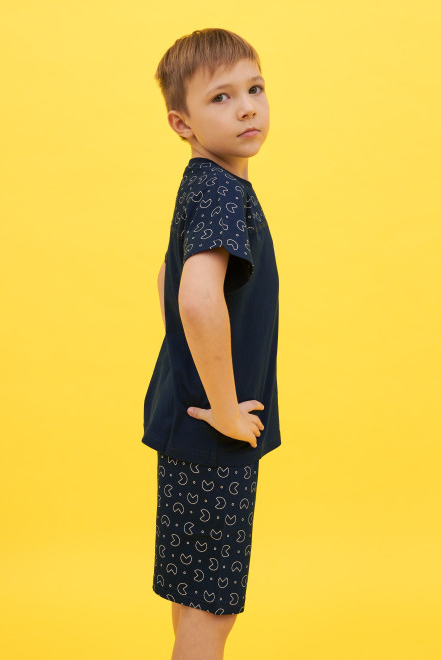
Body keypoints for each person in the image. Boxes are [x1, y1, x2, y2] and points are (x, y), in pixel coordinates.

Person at [142, 28, 281, 659]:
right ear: (183, 123)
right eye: (221, 97)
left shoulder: (203, 183)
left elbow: (167, 279)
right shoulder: (223, 191)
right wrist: (224, 408)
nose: (247, 107)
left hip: (186, 424)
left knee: (193, 595)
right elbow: (196, 300)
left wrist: (190, 373)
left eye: (255, 88)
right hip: (213, 437)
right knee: (210, 609)